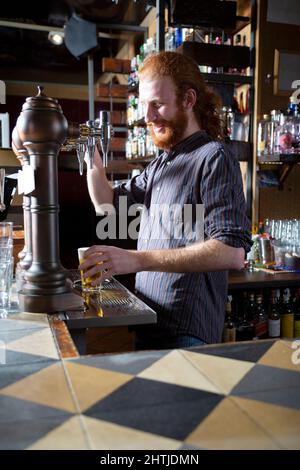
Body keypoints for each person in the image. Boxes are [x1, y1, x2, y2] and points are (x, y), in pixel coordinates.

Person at [79, 51, 252, 350]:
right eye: (145, 106)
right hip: (151, 322)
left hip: (186, 332)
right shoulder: (162, 164)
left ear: (188, 100)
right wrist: (90, 155)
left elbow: (232, 251)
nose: (148, 116)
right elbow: (106, 204)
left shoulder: (214, 158)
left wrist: (135, 260)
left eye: (157, 104)